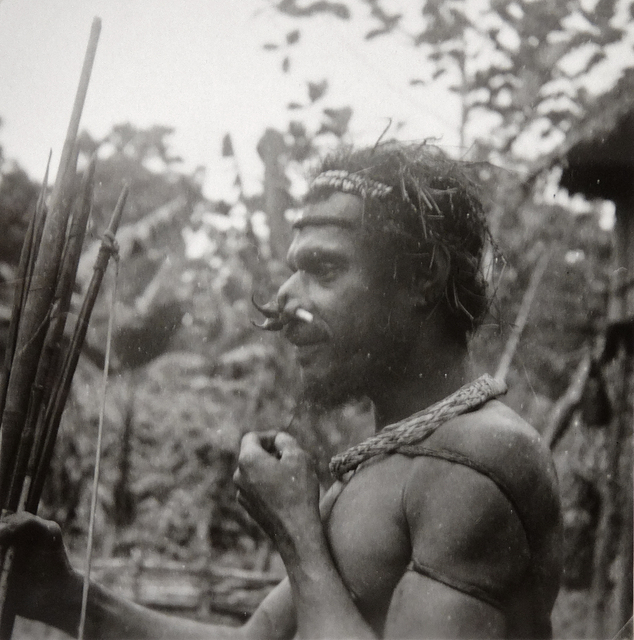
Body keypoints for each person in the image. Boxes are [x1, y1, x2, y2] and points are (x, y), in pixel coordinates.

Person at [0, 142, 562, 639]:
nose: (284, 300)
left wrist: (298, 535)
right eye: (295, 269)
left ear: (423, 277)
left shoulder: (475, 461)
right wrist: (65, 596)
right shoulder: (393, 458)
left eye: (325, 268)